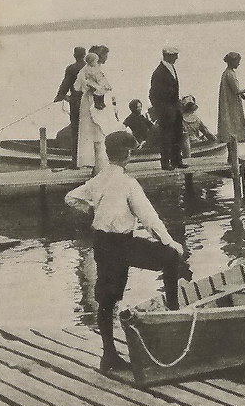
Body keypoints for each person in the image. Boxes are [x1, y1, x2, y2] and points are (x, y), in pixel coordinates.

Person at [65, 131, 186, 373]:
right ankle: (174, 316)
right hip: (122, 244)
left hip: (102, 244)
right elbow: (149, 219)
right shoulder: (129, 184)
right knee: (171, 257)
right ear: (128, 155)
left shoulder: (97, 180)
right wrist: (171, 242)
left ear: (109, 154)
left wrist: (91, 210)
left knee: (106, 299)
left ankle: (108, 355)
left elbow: (70, 198)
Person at [75, 51, 123, 170]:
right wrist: (92, 85)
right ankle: (99, 165)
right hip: (93, 102)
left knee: (96, 131)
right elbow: (81, 86)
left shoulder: (86, 71)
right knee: (96, 130)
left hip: (92, 101)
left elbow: (77, 86)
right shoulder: (91, 71)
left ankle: (99, 163)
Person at [217, 52, 245, 165]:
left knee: (232, 130)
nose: (239, 63)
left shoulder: (227, 73)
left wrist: (241, 94)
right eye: (237, 61)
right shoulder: (229, 74)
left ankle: (232, 156)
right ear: (232, 61)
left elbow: (235, 90)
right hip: (230, 106)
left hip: (230, 104)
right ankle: (232, 157)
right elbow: (236, 90)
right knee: (232, 130)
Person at [149, 47, 185, 171]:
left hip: (175, 109)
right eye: (175, 55)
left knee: (177, 135)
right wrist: (161, 109)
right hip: (166, 111)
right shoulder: (159, 72)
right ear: (167, 56)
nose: (177, 58)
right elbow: (153, 94)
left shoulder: (171, 68)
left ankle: (176, 160)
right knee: (166, 137)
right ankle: (165, 163)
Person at [54, 46, 87, 167]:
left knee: (76, 131)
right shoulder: (90, 67)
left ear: (74, 55)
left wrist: (60, 96)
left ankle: (76, 161)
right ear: (85, 55)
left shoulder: (72, 68)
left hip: (76, 103)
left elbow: (66, 83)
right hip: (90, 103)